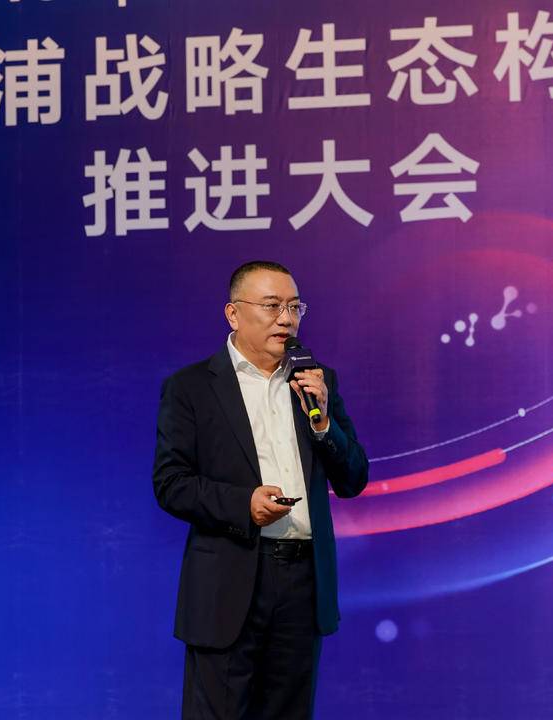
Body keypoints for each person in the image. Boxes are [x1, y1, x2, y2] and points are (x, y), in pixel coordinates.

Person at [153, 260, 370, 719]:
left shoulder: (317, 381)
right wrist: (243, 504)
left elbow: (353, 479)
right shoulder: (191, 388)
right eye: (272, 306)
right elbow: (171, 484)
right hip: (229, 580)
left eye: (294, 307)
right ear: (233, 314)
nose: (286, 319)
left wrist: (324, 424)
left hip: (303, 583)